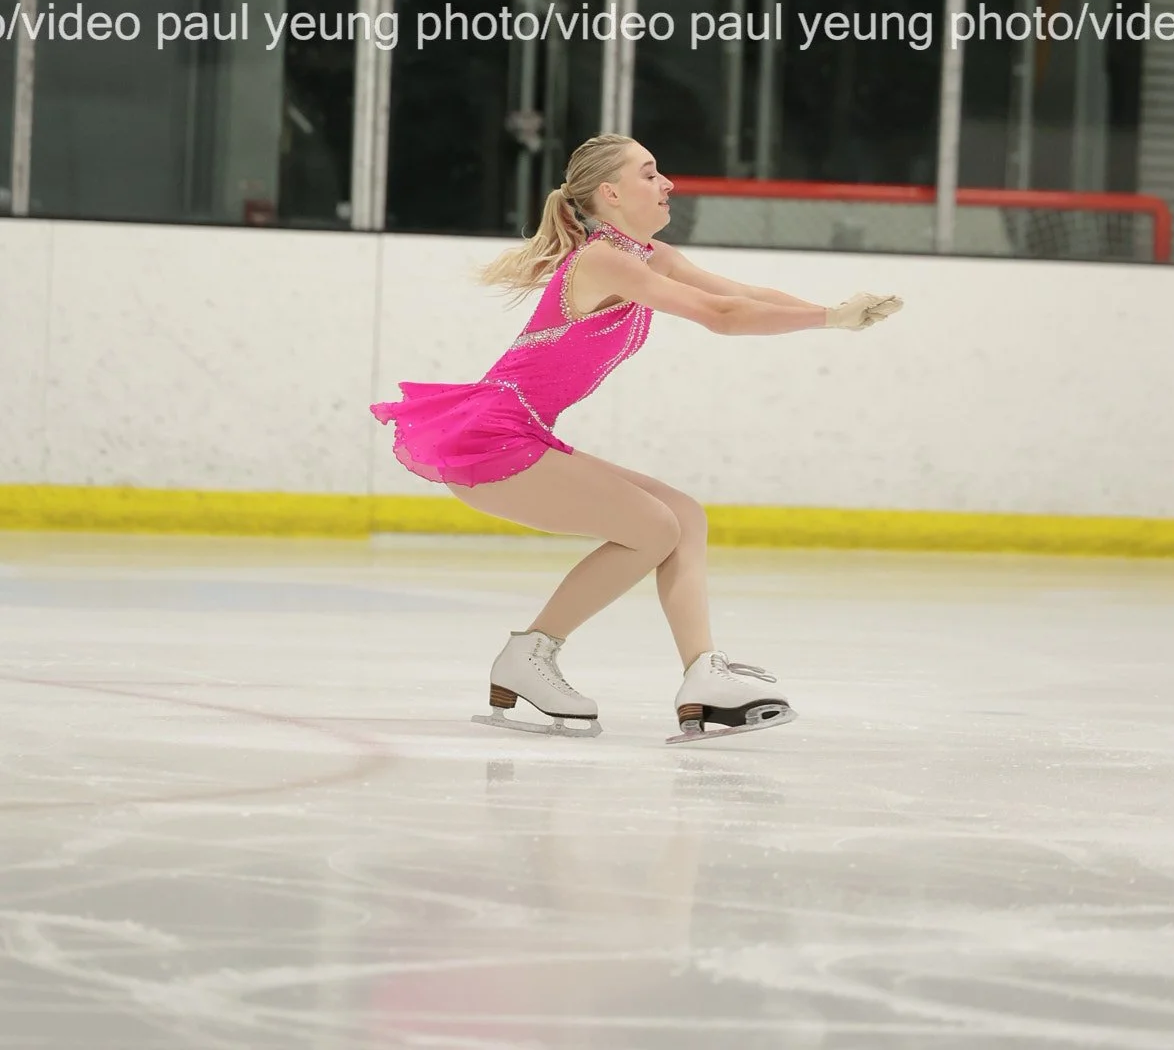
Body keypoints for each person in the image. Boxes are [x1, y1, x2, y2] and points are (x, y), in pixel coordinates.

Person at [371, 132, 902, 742]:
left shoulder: (650, 256)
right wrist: (828, 319)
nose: (667, 182)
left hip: (521, 433)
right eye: (649, 173)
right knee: (654, 527)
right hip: (493, 438)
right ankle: (530, 655)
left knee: (684, 516)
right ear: (611, 193)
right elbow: (722, 317)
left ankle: (703, 674)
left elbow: (741, 296)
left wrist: (835, 312)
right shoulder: (602, 260)